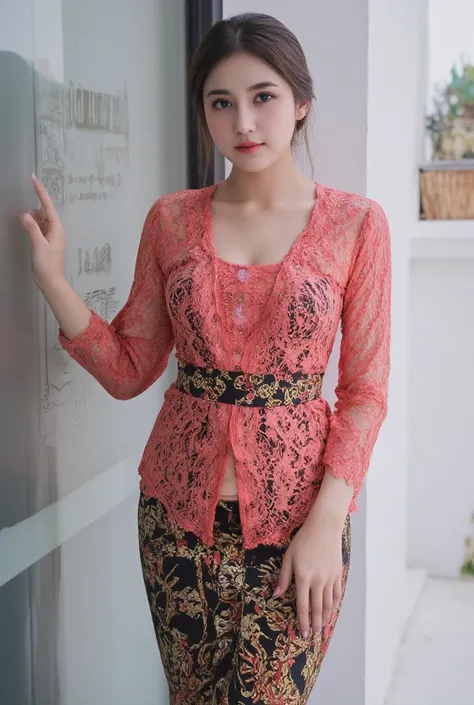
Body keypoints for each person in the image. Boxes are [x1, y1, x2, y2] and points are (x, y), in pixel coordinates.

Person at [20, 12, 391, 705]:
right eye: (220, 103)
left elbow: (366, 391)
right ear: (204, 115)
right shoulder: (170, 220)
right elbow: (131, 365)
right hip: (176, 525)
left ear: (301, 101)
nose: (243, 121)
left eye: (263, 96)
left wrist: (329, 520)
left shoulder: (356, 225)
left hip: (298, 529)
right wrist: (55, 282)